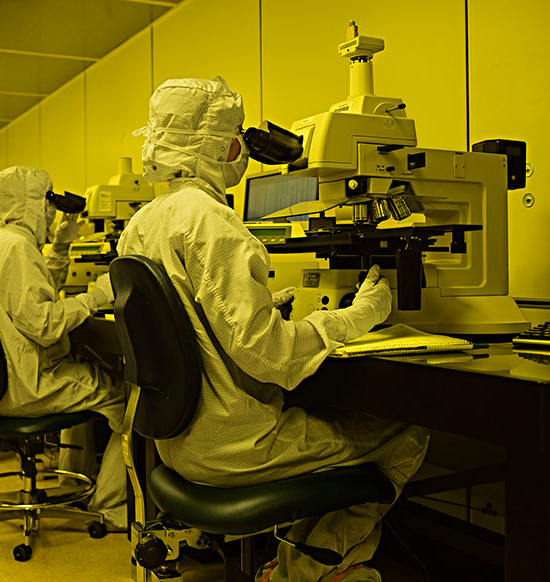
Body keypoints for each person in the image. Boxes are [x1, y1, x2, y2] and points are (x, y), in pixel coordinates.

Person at [119, 77, 429, 582]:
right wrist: (359, 316)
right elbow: (271, 358)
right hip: (234, 448)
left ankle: (294, 559)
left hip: (177, 444)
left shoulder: (143, 222)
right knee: (407, 430)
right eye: (239, 136)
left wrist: (265, 304)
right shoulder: (210, 219)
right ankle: (308, 569)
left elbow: (188, 321)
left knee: (332, 417)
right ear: (228, 146)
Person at [0, 166, 127, 529]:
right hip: (28, 386)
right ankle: (111, 506)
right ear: (31, 204)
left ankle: (74, 484)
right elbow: (45, 324)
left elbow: (37, 294)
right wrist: (96, 296)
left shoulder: (0, 245)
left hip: (0, 386)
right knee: (123, 395)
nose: (53, 212)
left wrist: (62, 244)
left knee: (88, 380)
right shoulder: (17, 249)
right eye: (48, 203)